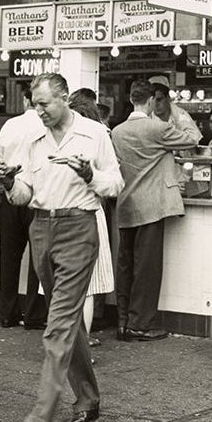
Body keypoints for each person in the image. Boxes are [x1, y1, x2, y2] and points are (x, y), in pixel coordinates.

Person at [0, 73, 123, 422]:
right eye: (35, 104)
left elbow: (115, 184)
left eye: (44, 103)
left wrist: (90, 175)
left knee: (58, 325)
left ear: (64, 98)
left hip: (79, 228)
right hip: (41, 227)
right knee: (64, 320)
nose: (38, 110)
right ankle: (88, 397)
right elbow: (23, 194)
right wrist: (7, 183)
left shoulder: (95, 134)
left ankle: (39, 418)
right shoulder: (33, 138)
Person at [111, 76, 202, 342]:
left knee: (126, 264)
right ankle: (141, 323)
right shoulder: (158, 128)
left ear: (131, 99)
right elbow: (193, 138)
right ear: (151, 101)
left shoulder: (117, 131)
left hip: (126, 204)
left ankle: (122, 321)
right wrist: (175, 111)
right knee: (147, 268)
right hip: (151, 204)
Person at [0, 85, 46, 330]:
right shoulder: (47, 126)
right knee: (38, 260)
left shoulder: (10, 126)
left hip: (11, 194)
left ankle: (7, 312)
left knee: (9, 258)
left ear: (25, 101)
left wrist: (6, 185)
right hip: (38, 197)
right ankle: (33, 314)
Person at [69, 97, 117, 351]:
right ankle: (81, 345)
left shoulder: (63, 140)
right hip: (91, 212)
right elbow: (112, 184)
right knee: (87, 287)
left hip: (66, 214)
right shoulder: (100, 139)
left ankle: (70, 344)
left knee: (71, 287)